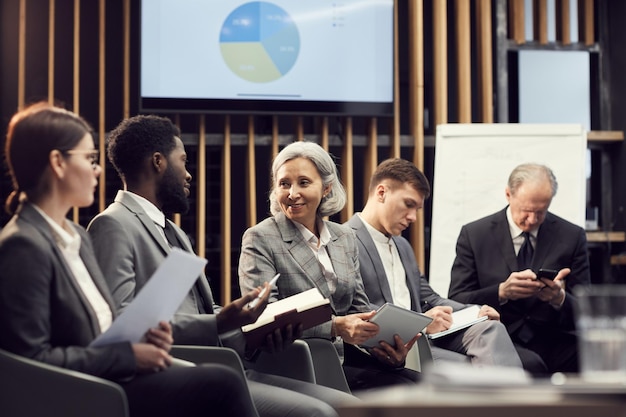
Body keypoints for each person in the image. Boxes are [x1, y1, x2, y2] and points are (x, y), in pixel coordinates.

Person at [87, 115, 355, 417]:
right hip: (181, 370)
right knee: (317, 413)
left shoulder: (172, 230)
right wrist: (219, 322)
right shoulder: (112, 224)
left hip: (226, 363)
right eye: (183, 161)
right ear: (158, 162)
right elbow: (121, 323)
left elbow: (203, 311)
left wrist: (258, 330)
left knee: (346, 408)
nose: (189, 174)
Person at [0, 102, 257, 417]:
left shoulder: (76, 237)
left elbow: (105, 324)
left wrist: (147, 335)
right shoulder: (23, 245)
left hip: (110, 373)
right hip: (86, 388)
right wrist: (127, 356)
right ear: (58, 163)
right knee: (223, 383)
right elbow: (32, 361)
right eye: (90, 159)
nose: (98, 170)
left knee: (223, 381)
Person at [238, 141, 421, 393]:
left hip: (346, 360)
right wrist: (336, 327)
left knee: (421, 386)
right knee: (404, 393)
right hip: (297, 363)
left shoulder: (344, 237)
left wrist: (384, 346)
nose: (292, 193)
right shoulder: (260, 237)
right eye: (284, 184)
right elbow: (263, 317)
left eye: (303, 182)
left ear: (326, 188)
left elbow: (359, 307)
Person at [346, 158, 523, 369]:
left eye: (417, 209)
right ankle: (513, 399)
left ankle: (510, 399)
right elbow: (354, 309)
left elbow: (429, 297)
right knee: (472, 369)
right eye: (408, 204)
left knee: (490, 328)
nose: (413, 217)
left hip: (424, 338)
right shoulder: (345, 240)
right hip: (388, 348)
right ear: (381, 193)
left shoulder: (403, 245)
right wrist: (421, 321)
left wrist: (476, 311)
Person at [448, 163, 591, 375]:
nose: (532, 220)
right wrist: (501, 292)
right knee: (530, 364)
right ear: (508, 194)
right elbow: (457, 299)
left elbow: (587, 308)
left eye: (541, 212)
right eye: (526, 211)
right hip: (501, 336)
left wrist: (559, 298)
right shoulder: (475, 235)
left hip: (553, 336)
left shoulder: (571, 236)